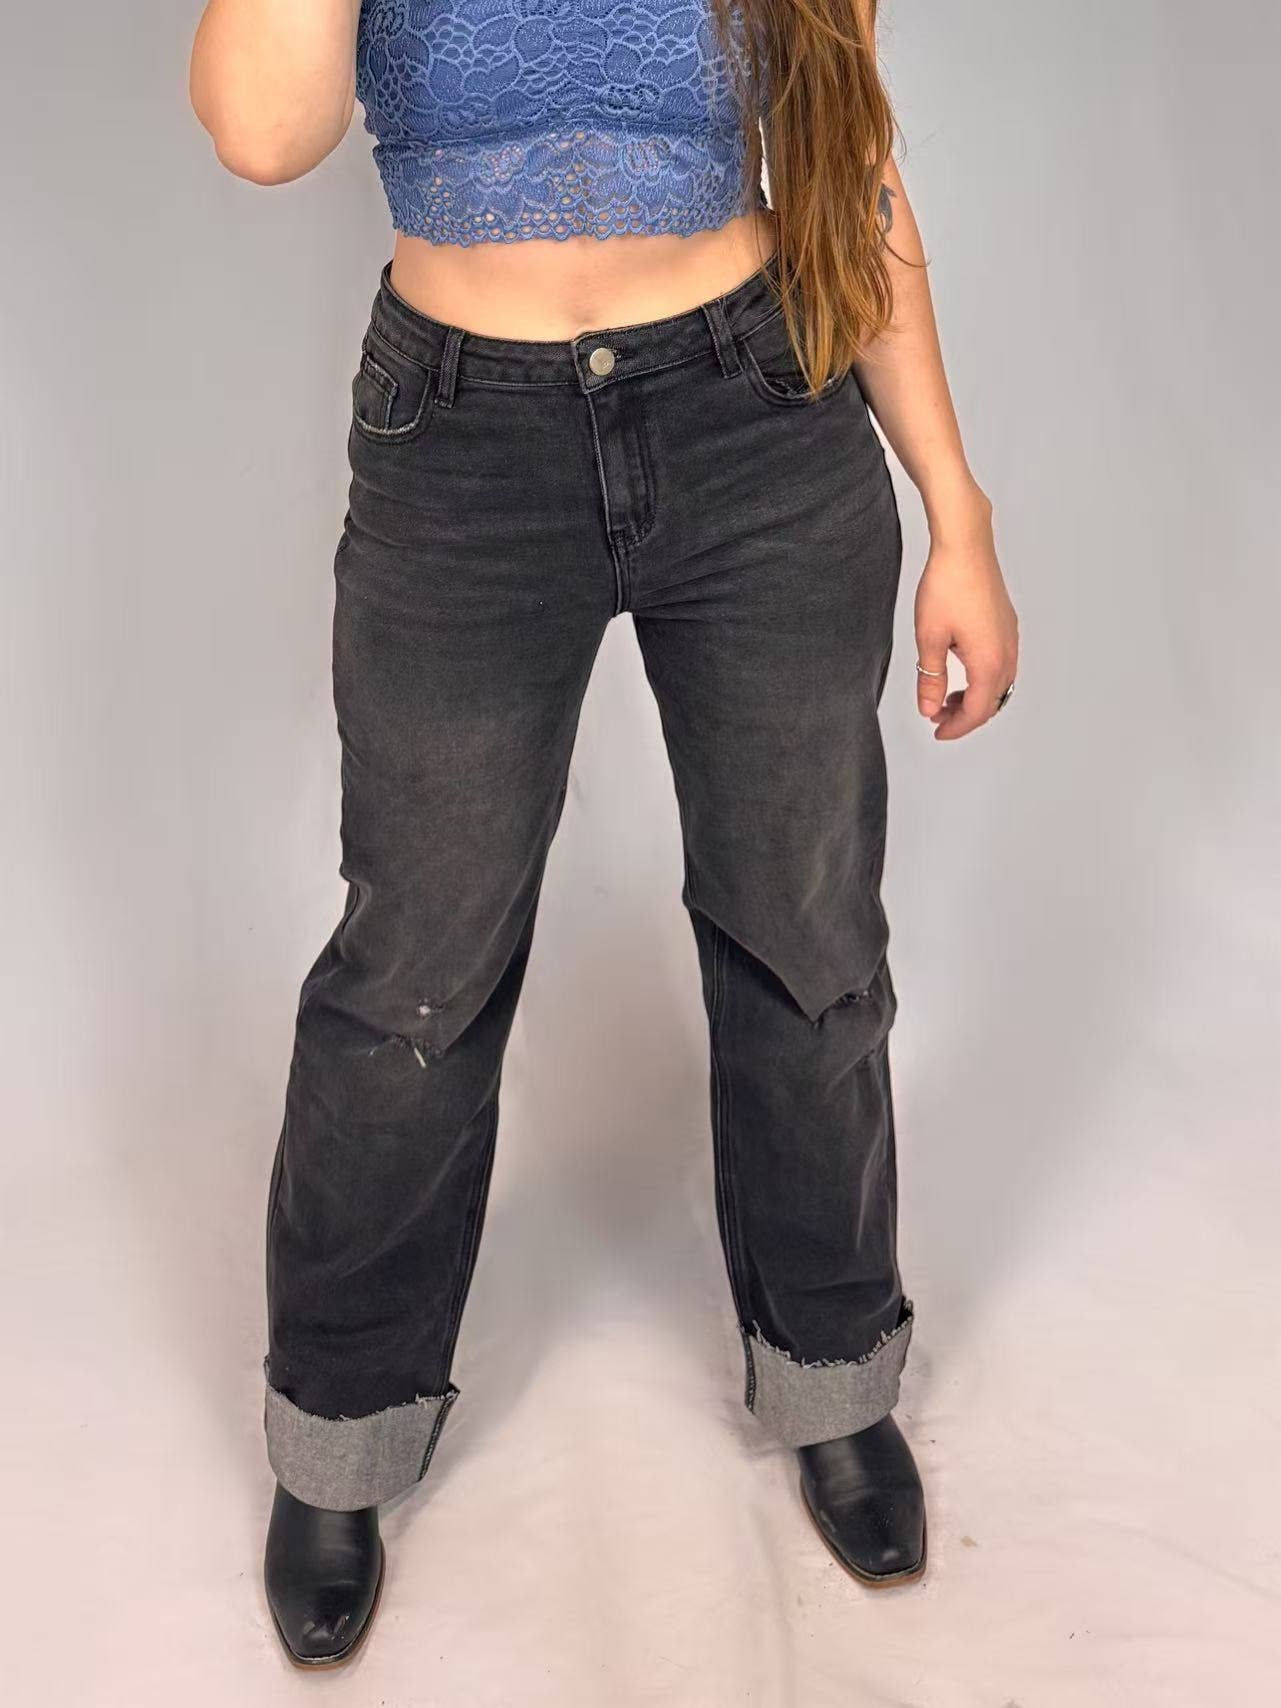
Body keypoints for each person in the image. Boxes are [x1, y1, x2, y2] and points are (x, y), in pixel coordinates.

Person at [190, 0, 1018, 1668]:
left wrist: (957, 508)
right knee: (409, 975)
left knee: (804, 934)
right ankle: (341, 1433)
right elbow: (263, 135)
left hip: (759, 415)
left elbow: (848, 174)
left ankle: (832, 1375)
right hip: (462, 446)